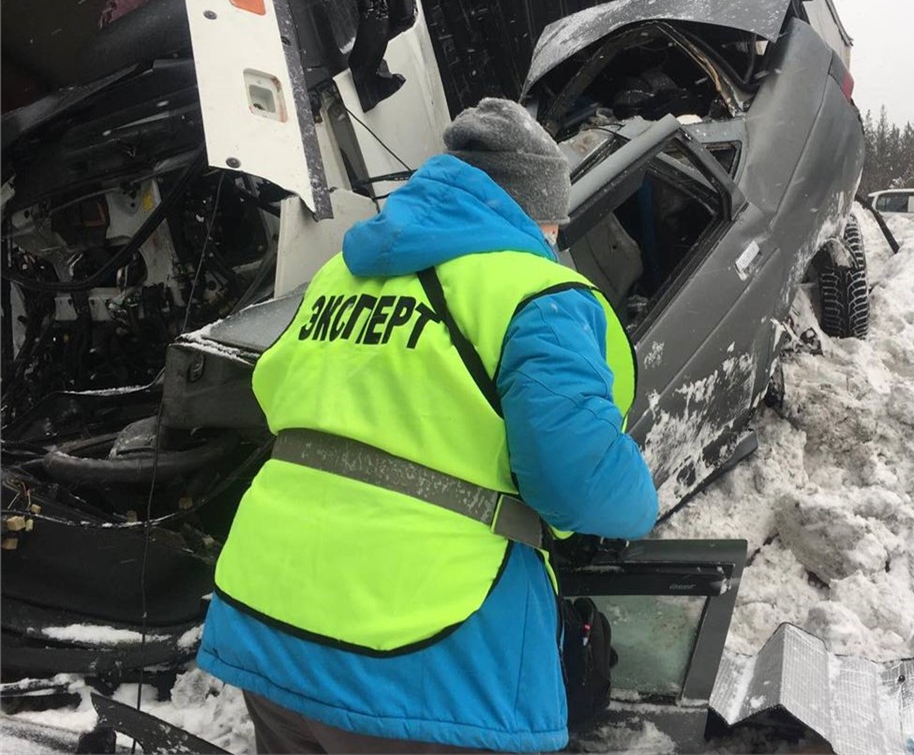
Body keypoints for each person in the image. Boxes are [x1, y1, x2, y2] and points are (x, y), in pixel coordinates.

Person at [197, 98, 660, 753]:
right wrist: (644, 500)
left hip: (269, 613)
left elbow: (275, 391)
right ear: (537, 209)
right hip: (413, 647)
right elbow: (574, 481)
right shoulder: (537, 292)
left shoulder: (341, 274)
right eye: (555, 218)